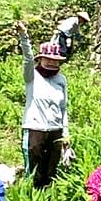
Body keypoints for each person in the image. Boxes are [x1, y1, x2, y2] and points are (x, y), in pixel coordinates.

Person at [16, 20, 70, 189]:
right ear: (40, 59)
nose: (52, 63)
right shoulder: (32, 76)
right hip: (35, 128)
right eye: (48, 59)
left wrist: (66, 133)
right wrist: (24, 36)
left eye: (56, 60)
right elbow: (27, 58)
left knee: (51, 170)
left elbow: (64, 108)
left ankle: (48, 198)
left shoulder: (61, 80)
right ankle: (30, 196)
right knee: (34, 170)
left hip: (56, 130)